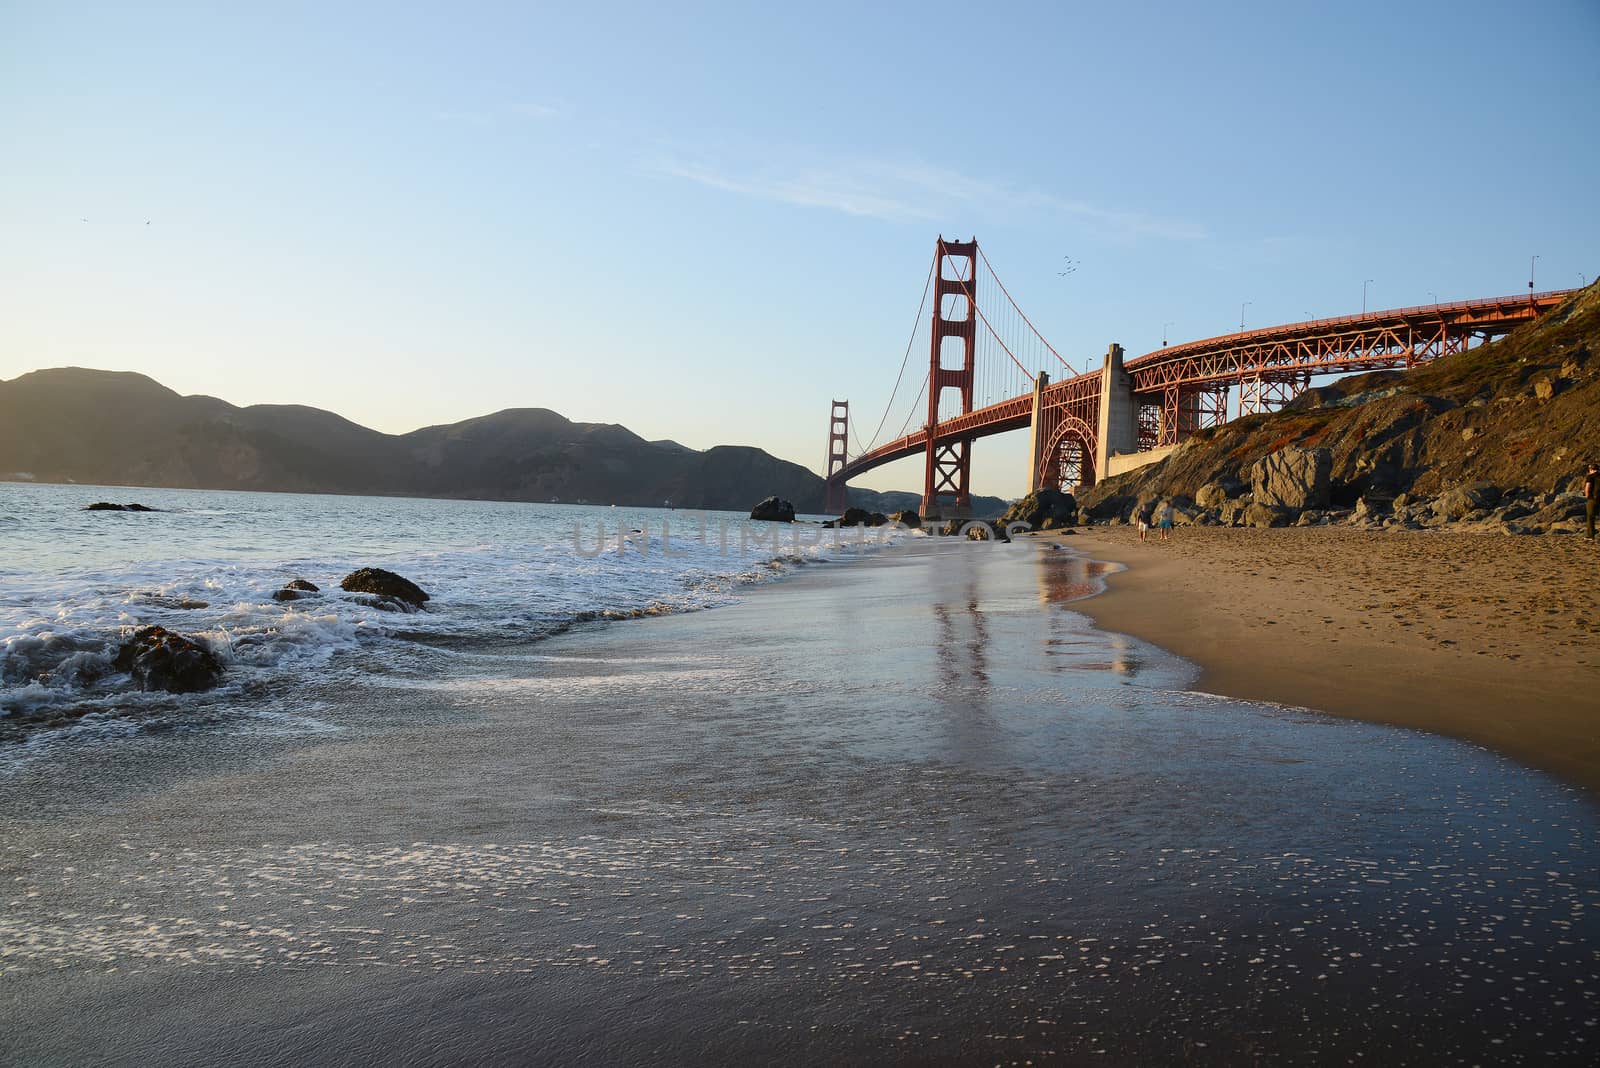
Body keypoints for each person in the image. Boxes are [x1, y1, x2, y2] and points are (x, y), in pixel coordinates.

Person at [1586, 462, 1598, 540]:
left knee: (1590, 517)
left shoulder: (1590, 476)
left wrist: (1588, 497)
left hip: (1593, 499)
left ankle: (1591, 535)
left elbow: (1587, 487)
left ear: (1591, 469)